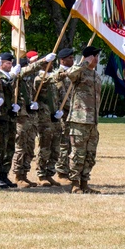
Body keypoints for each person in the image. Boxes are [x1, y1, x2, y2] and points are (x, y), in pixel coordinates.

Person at [65, 46, 102, 194]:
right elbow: (70, 74)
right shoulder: (79, 72)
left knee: (90, 154)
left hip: (92, 121)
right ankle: (75, 184)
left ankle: (85, 182)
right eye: (95, 56)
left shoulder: (96, 76)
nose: (97, 59)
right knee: (78, 153)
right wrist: (84, 62)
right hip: (79, 120)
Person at [32, 51, 63, 187]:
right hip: (44, 117)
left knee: (55, 146)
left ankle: (50, 172)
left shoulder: (51, 77)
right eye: (48, 63)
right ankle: (41, 174)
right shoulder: (40, 78)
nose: (51, 66)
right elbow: (49, 80)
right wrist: (65, 72)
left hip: (54, 115)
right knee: (45, 146)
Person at [12, 54, 43, 187]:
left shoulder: (27, 82)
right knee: (21, 147)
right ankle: (18, 175)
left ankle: (24, 173)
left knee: (30, 147)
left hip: (30, 117)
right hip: (21, 117)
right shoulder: (15, 79)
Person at [0, 52, 21, 188]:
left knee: (10, 147)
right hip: (1, 116)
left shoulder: (9, 75)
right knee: (0, 147)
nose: (10, 65)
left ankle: (5, 174)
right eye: (7, 63)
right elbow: (6, 85)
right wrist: (14, 75)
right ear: (1, 63)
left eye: (11, 63)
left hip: (10, 116)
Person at [52, 48, 76, 180]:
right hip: (62, 112)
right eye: (70, 58)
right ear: (62, 60)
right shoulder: (58, 74)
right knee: (63, 142)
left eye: (73, 58)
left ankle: (69, 169)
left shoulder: (74, 73)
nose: (72, 60)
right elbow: (58, 94)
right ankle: (62, 171)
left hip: (73, 112)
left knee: (72, 142)